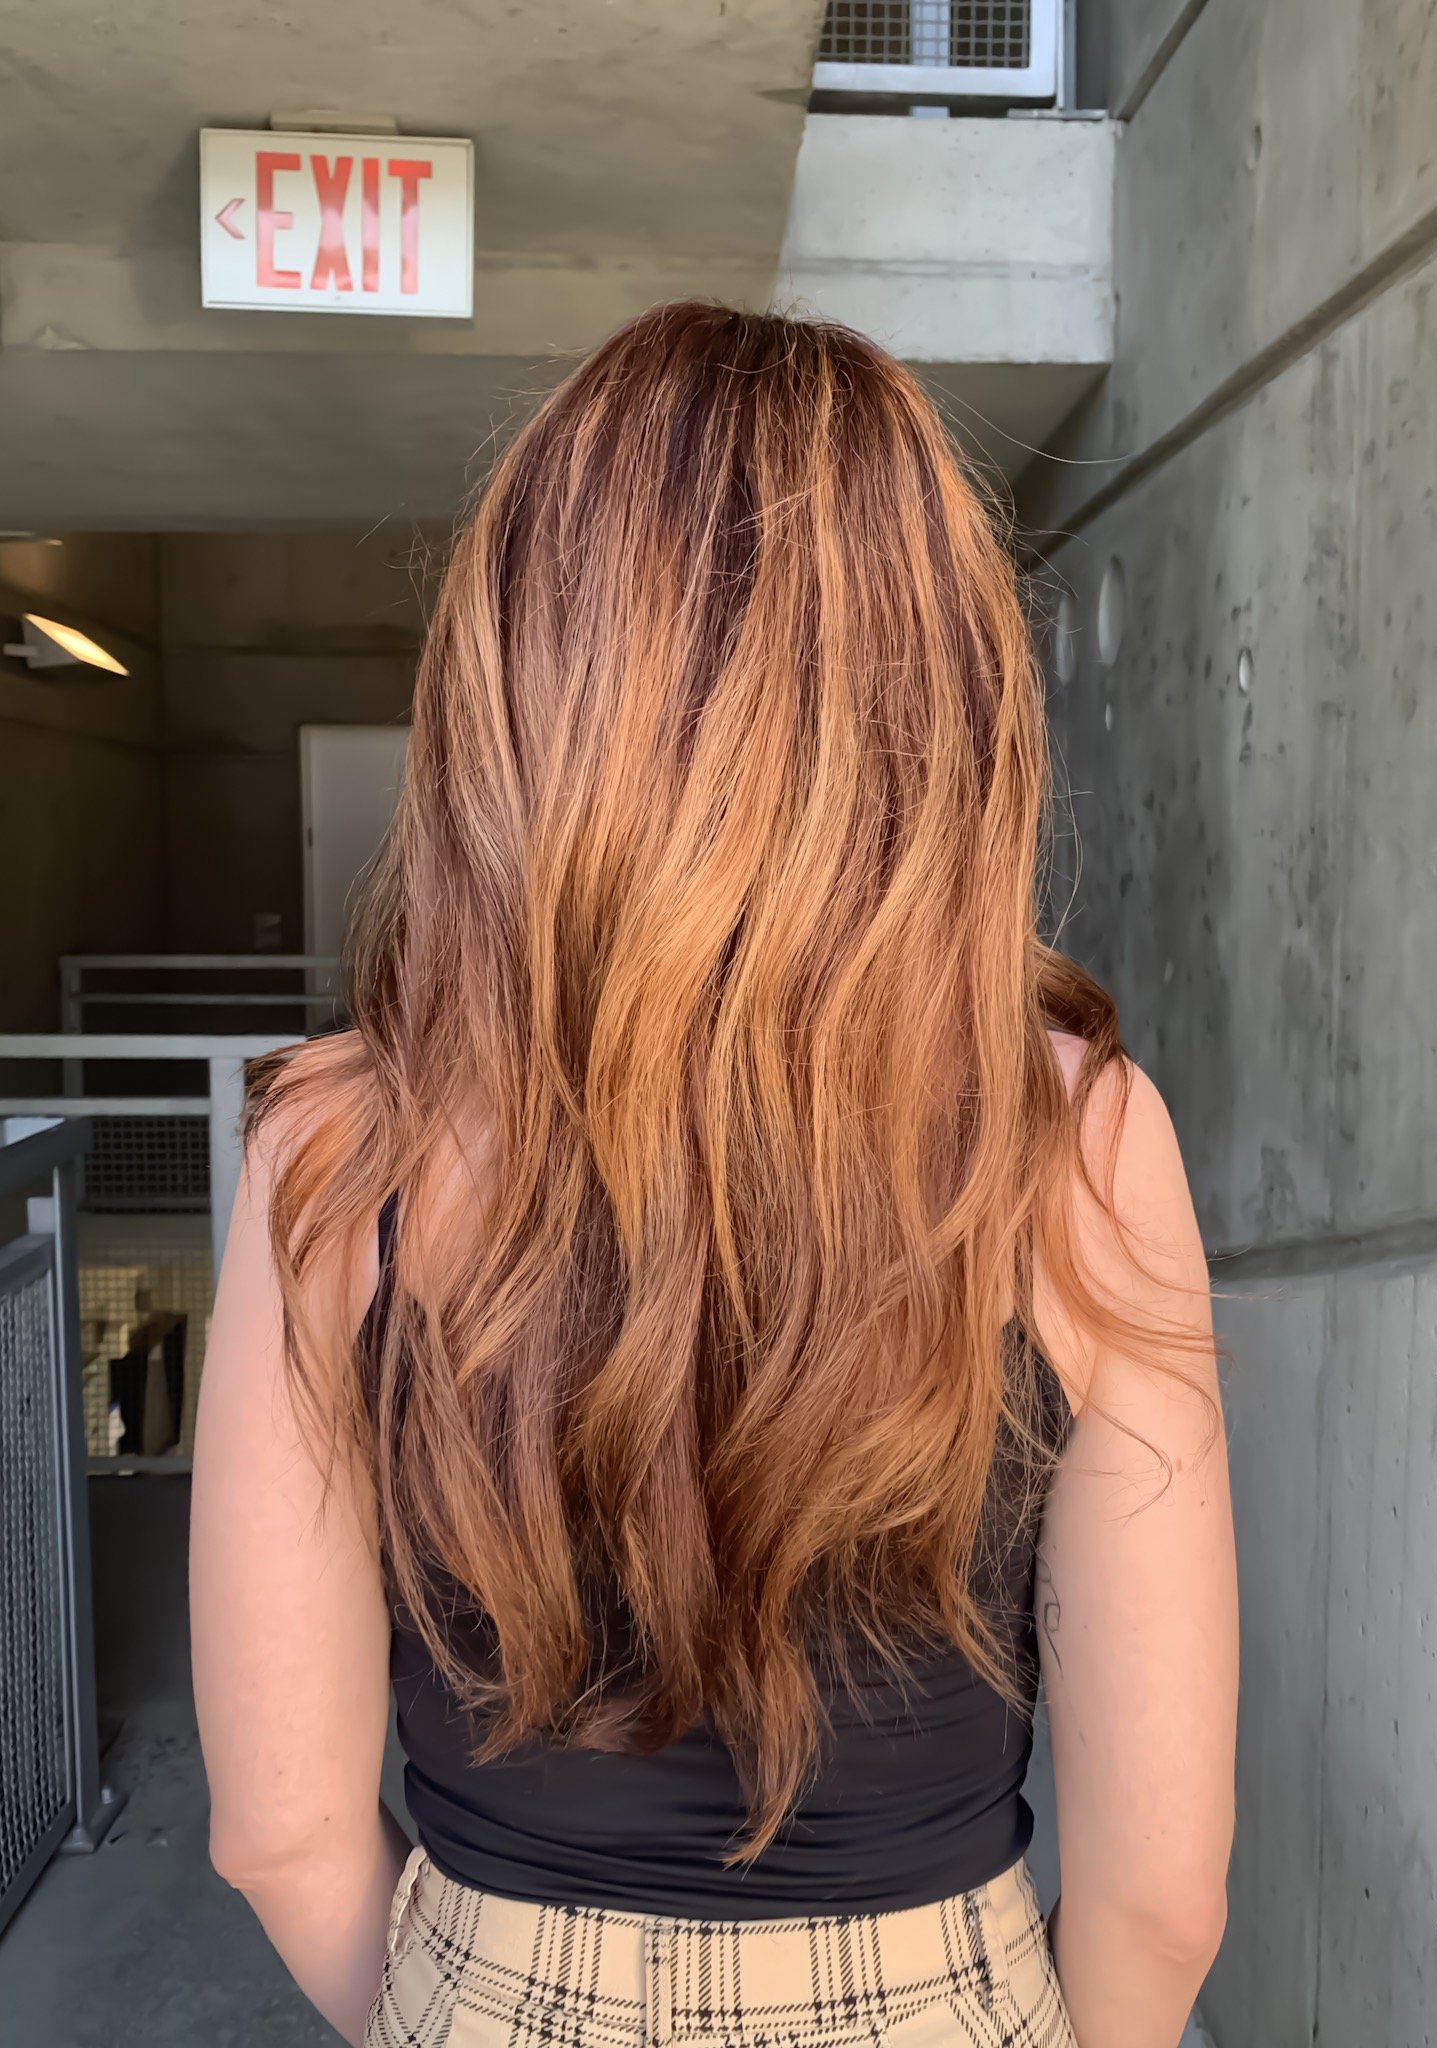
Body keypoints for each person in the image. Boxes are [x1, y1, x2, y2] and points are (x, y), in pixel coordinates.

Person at [189, 302, 1237, 2048]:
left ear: (518, 677)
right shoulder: (1077, 1134)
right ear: (942, 699)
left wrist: (475, 2010)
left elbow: (281, 1831)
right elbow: (1161, 1894)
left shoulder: (332, 1140)